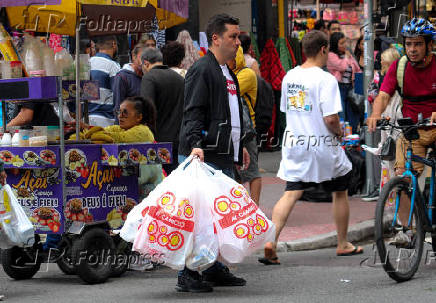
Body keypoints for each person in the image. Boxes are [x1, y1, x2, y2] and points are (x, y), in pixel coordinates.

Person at [259, 30, 363, 265]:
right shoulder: (325, 79)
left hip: (295, 142)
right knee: (340, 188)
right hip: (322, 143)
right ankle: (343, 242)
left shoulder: (290, 77)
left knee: (292, 191)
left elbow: (287, 110)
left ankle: (271, 240)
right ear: (324, 49)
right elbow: (330, 118)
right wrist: (340, 134)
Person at [177, 13, 250, 293]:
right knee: (198, 218)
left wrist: (239, 144)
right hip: (204, 154)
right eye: (232, 36)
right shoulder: (202, 69)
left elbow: (230, 114)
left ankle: (211, 266)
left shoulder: (226, 71)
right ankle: (188, 274)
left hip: (223, 153)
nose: (237, 41)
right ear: (216, 39)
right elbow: (193, 111)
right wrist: (196, 144)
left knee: (218, 217)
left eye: (238, 36)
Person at [367, 18, 436, 242]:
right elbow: (384, 95)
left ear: (429, 45)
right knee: (403, 178)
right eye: (408, 44)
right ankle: (406, 231)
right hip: (412, 129)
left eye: (417, 44)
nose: (412, 49)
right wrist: (376, 114)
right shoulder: (400, 67)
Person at [140, 48, 185, 174]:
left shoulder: (149, 78)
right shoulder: (179, 79)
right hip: (178, 142)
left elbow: (147, 110)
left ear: (146, 63)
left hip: (158, 142)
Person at [228, 46, 262, 205]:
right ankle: (240, 207)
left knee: (251, 171)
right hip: (230, 129)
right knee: (235, 174)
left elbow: (228, 92)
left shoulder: (246, 74)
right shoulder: (228, 74)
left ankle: (255, 208)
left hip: (246, 130)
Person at [327, 32, 361, 132]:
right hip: (338, 88)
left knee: (352, 114)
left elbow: (357, 68)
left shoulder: (347, 55)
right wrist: (347, 57)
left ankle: (352, 135)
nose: (344, 45)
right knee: (341, 113)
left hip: (350, 87)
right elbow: (342, 67)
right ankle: (341, 136)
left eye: (345, 42)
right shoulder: (331, 56)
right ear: (335, 44)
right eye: (341, 43)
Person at [89, 35, 121, 127]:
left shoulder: (88, 62)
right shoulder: (113, 66)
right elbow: (117, 95)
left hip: (86, 119)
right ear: (114, 44)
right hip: (106, 120)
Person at [112, 43, 146, 121]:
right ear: (134, 57)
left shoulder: (148, 76)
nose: (145, 62)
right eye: (142, 58)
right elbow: (118, 105)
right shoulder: (122, 76)